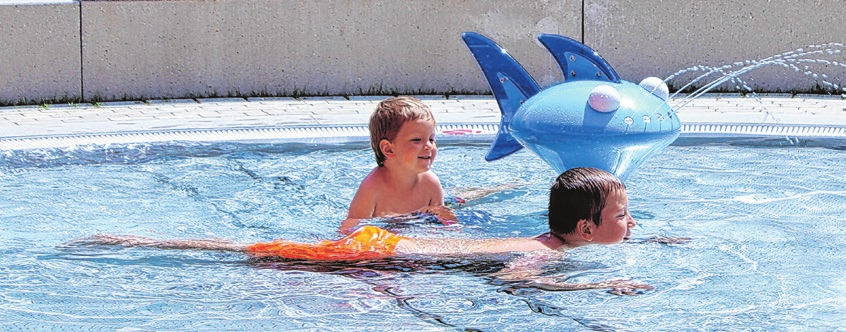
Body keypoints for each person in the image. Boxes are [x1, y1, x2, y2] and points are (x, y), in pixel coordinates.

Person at [76, 167, 651, 294]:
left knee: (258, 250)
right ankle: (139, 241)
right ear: (584, 227)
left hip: (387, 246)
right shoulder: (542, 255)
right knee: (250, 253)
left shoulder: (557, 238)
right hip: (375, 254)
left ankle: (140, 239)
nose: (631, 222)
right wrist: (597, 288)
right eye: (622, 216)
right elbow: (513, 280)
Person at [340, 96, 452, 233]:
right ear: (389, 149)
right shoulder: (373, 187)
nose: (429, 146)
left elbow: (444, 222)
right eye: (417, 140)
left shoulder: (431, 183)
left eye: (431, 139)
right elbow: (350, 227)